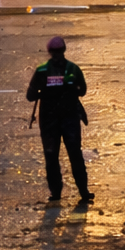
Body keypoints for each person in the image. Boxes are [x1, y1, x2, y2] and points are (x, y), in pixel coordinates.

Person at [25, 36, 93, 203]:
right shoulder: (73, 69)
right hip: (70, 119)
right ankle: (83, 191)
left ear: (49, 51)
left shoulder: (42, 71)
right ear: (64, 50)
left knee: (51, 156)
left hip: (49, 121)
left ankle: (56, 193)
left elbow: (30, 96)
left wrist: (44, 92)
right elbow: (82, 91)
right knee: (75, 154)